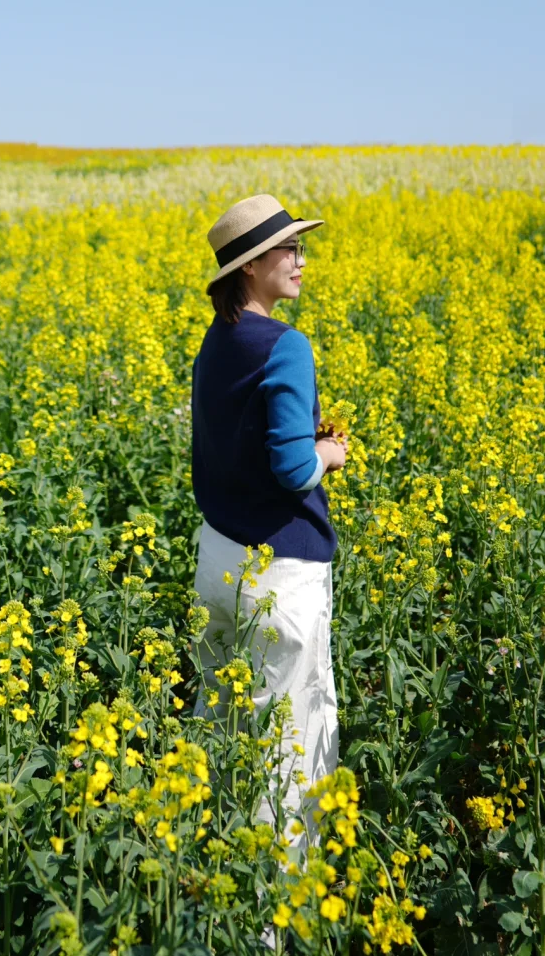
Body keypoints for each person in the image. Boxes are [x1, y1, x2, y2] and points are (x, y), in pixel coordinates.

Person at [191, 192, 347, 849]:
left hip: (218, 559)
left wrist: (299, 442)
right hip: (280, 573)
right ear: (250, 268)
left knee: (219, 725)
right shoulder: (286, 346)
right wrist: (327, 452)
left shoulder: (218, 338)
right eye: (286, 248)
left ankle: (204, 875)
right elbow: (290, 469)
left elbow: (237, 438)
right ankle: (276, 917)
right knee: (291, 741)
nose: (299, 259)